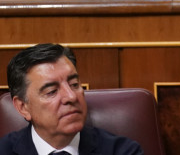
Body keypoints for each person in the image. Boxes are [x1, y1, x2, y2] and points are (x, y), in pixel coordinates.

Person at [0, 43, 142, 155]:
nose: (71, 96)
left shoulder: (122, 151)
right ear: (23, 107)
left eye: (74, 84)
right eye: (51, 91)